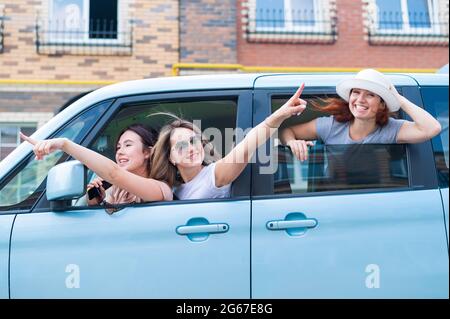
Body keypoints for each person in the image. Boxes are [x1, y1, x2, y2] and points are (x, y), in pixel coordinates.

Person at [150, 84, 308, 200]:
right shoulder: (174, 189)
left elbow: (248, 145)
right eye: (182, 146)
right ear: (171, 157)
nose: (191, 148)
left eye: (194, 141)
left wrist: (277, 117)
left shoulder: (214, 174)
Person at [280, 69, 442, 161]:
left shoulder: (391, 128)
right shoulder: (331, 125)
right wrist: (292, 142)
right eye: (356, 92)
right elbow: (285, 131)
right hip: (333, 199)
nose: (360, 100)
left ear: (382, 104)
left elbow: (432, 128)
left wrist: (397, 98)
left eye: (370, 94)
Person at [20, 124, 173, 208]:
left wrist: (64, 144)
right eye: (118, 147)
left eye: (128, 145)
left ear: (148, 152)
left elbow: (114, 173)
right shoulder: (112, 190)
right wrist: (94, 201)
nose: (120, 152)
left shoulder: (161, 189)